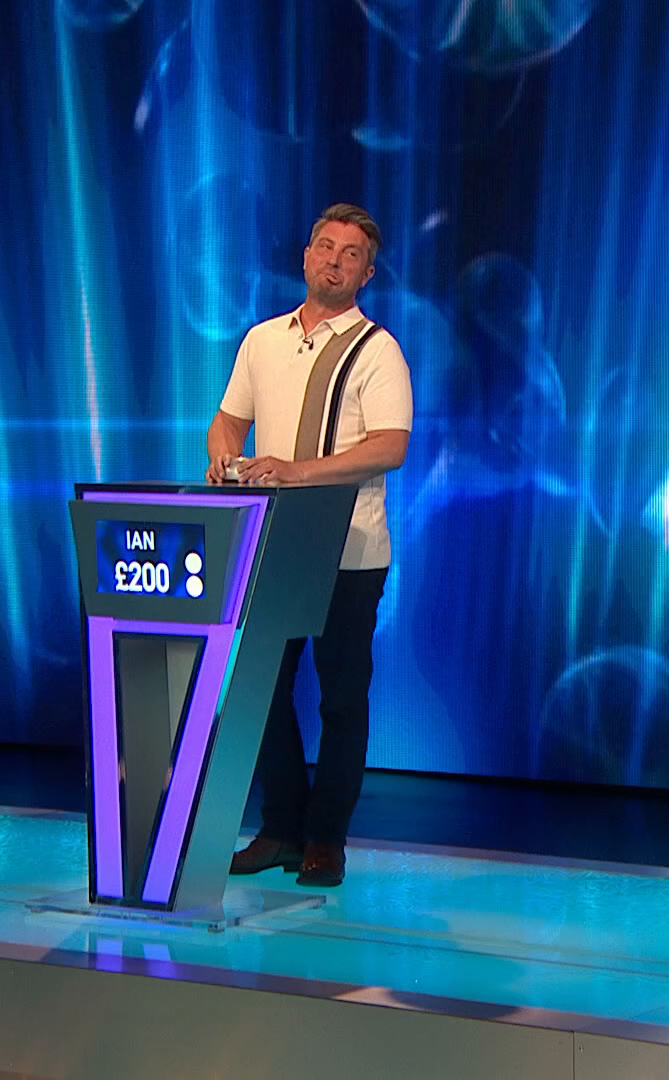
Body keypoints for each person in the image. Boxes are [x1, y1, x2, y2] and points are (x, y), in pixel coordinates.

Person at [206, 204, 414, 887]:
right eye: (325, 247)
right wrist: (221, 457)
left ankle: (327, 839)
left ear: (367, 274)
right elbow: (228, 421)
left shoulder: (376, 349)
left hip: (350, 553)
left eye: (351, 254)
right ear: (305, 255)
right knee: (262, 690)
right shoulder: (262, 340)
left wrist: (297, 472)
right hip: (276, 545)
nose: (334, 261)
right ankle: (282, 827)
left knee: (341, 700)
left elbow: (391, 446)